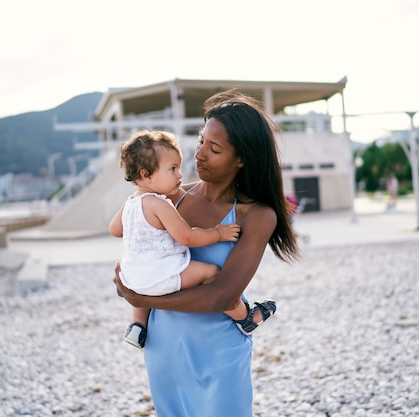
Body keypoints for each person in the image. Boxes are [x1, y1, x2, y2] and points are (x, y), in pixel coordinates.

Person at [113, 89, 300, 416]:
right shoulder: (169, 201)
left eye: (213, 149)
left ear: (241, 159)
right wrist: (133, 287)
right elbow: (135, 247)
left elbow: (222, 296)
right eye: (200, 141)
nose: (198, 154)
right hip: (164, 351)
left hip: (220, 355)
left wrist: (142, 298)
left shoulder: (255, 216)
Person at [109, 129, 277, 349]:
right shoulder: (161, 204)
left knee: (144, 283)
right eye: (172, 169)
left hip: (134, 277)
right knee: (210, 273)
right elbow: (187, 237)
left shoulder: (131, 202)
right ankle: (244, 318)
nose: (180, 174)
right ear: (146, 175)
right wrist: (218, 233)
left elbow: (114, 229)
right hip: (163, 275)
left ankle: (138, 325)